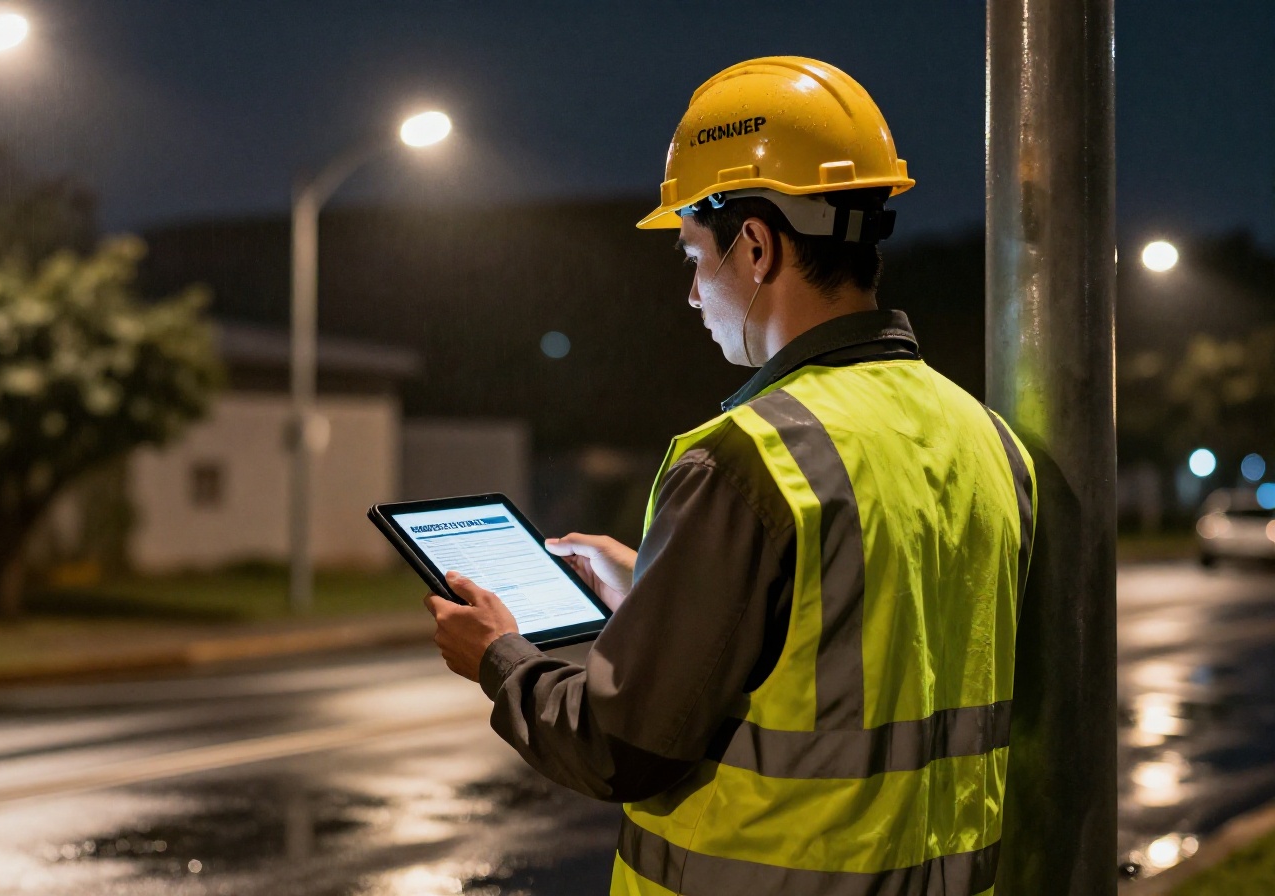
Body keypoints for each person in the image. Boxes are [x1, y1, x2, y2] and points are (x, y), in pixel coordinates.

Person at [424, 56, 1036, 895]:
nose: (691, 294)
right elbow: (867, 640)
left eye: (691, 254)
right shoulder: (989, 440)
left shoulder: (749, 457)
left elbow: (618, 746)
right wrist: (657, 589)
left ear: (754, 246)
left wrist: (499, 657)